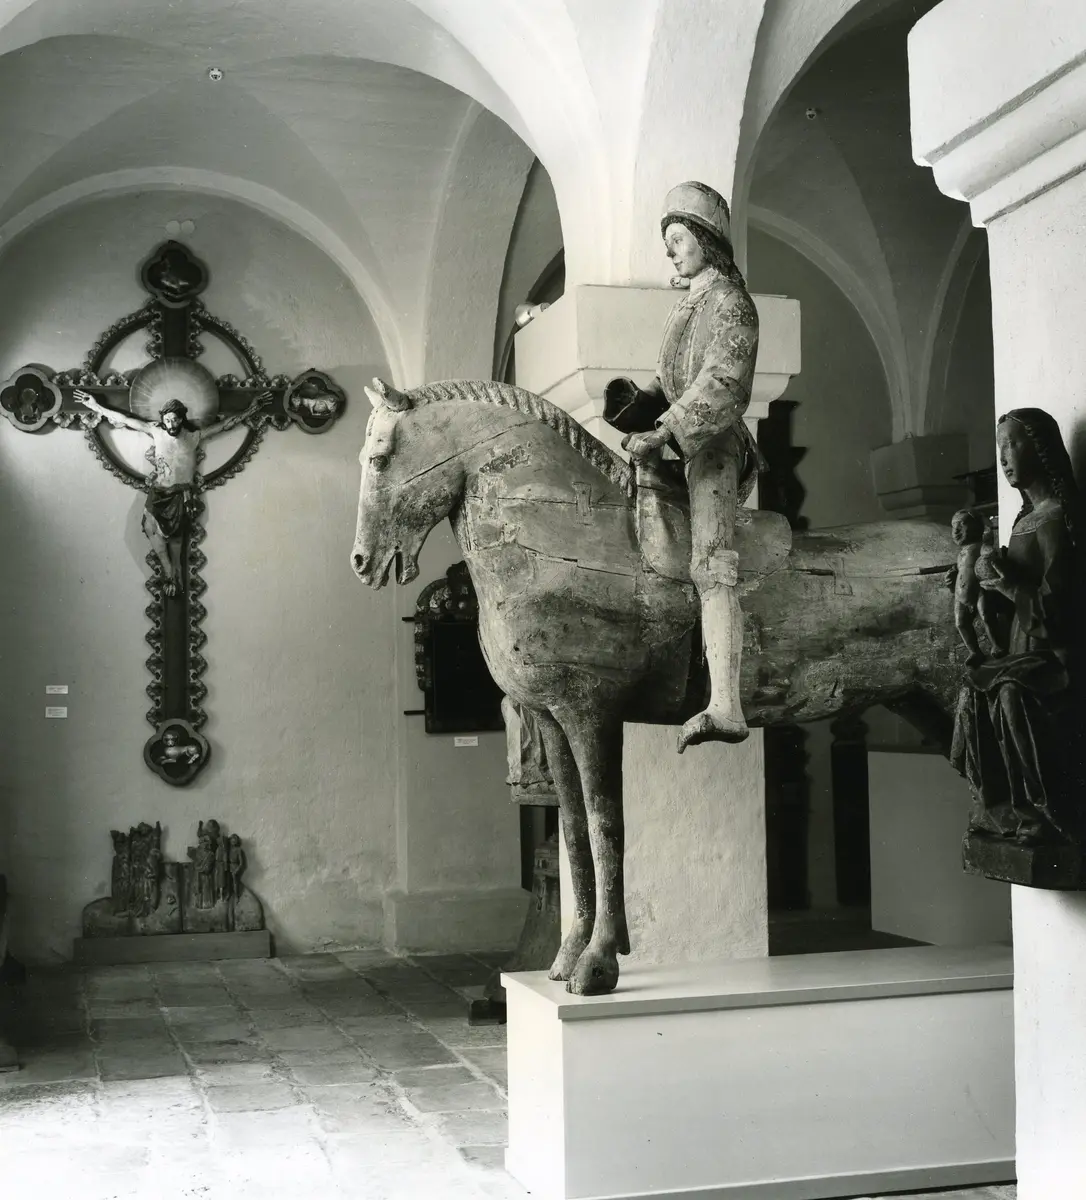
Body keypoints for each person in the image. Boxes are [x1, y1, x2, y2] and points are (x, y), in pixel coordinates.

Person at [606, 181, 759, 751]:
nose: (670, 250)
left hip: (714, 445)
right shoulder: (685, 307)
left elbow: (724, 383)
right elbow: (670, 384)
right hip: (680, 442)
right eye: (668, 240)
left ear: (706, 239)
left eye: (677, 238)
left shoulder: (730, 303)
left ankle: (726, 704)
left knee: (711, 562)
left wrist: (666, 430)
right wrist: (637, 405)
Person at [951, 408, 1081, 844]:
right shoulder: (1024, 520)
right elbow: (1009, 609)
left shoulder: (1058, 518)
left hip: (1056, 657)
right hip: (1024, 650)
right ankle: (1001, 812)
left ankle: (1044, 811)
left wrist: (1008, 588)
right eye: (999, 448)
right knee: (973, 688)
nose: (1003, 458)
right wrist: (978, 592)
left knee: (1009, 692)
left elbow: (1059, 606)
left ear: (1040, 449)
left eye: (1012, 445)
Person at [74, 388, 270, 596]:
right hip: (158, 491)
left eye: (175, 420)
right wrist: (95, 406)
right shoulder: (156, 432)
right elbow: (125, 419)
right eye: (167, 420)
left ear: (181, 419)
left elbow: (226, 425)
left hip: (180, 494)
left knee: (176, 538)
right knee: (149, 527)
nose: (171, 424)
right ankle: (168, 571)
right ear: (163, 419)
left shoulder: (194, 437)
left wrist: (250, 410)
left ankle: (174, 575)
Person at [947, 508, 1000, 667]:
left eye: (961, 525)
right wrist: (951, 581)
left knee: (987, 616)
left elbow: (988, 554)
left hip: (979, 588)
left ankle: (997, 645)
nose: (956, 530)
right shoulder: (961, 552)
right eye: (953, 526)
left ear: (976, 526)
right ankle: (974, 651)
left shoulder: (980, 547)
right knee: (960, 623)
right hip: (961, 591)